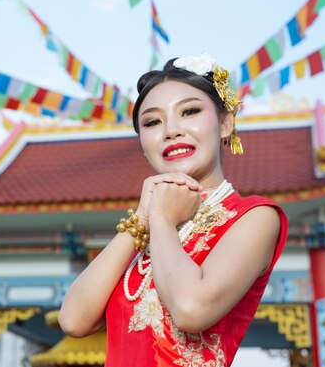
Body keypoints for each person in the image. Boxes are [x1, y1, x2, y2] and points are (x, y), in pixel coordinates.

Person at [58, 53, 288, 367]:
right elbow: (73, 320)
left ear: (225, 123)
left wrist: (162, 218)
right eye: (152, 121)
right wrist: (142, 218)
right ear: (142, 142)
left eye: (190, 111)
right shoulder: (148, 230)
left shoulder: (255, 216)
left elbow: (191, 309)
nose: (171, 130)